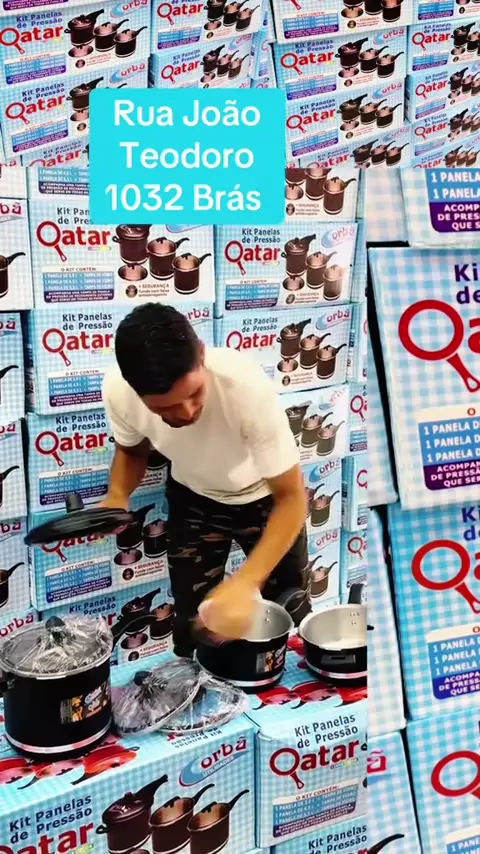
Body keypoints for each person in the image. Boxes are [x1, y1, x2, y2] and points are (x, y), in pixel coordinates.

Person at [102, 303, 309, 657]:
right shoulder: (118, 391)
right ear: (134, 390)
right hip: (194, 499)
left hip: (266, 501)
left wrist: (246, 583)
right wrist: (118, 495)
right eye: (164, 409)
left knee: (289, 610)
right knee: (193, 624)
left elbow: (291, 499)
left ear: (201, 354)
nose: (186, 413)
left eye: (194, 393)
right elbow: (132, 451)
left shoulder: (245, 388)